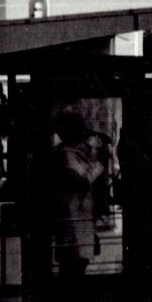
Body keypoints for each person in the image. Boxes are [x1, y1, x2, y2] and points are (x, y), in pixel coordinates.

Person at [48, 111, 104, 277]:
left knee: (77, 264)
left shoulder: (73, 153)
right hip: (72, 220)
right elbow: (82, 179)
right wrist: (95, 157)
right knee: (74, 265)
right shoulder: (66, 155)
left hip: (79, 219)